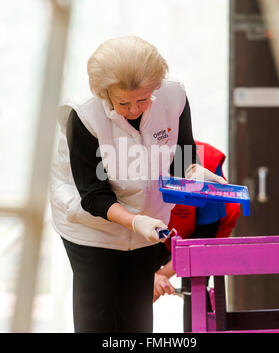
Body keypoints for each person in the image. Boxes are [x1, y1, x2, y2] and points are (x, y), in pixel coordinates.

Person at [49, 36, 227, 333]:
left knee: (137, 314)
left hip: (149, 217)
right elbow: (93, 195)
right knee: (99, 315)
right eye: (123, 103)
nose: (134, 109)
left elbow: (181, 159)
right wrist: (134, 221)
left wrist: (195, 173)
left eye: (142, 100)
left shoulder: (174, 97)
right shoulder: (82, 114)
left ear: (156, 86)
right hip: (90, 225)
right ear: (104, 92)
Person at [152, 141, 241, 331]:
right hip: (157, 229)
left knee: (196, 285)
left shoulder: (207, 166)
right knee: (136, 285)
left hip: (205, 230)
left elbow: (200, 244)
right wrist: (148, 278)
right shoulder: (137, 165)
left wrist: (161, 274)